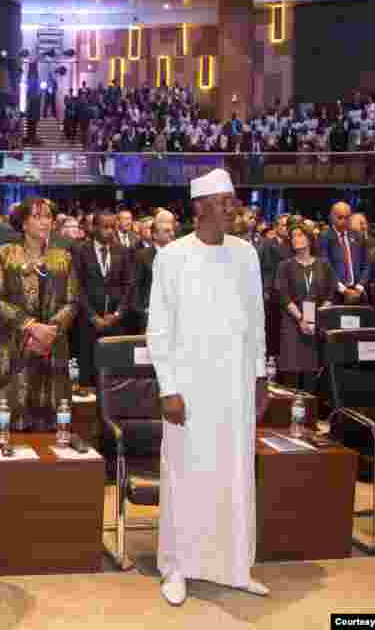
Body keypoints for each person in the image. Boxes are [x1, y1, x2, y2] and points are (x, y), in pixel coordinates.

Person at [147, 168, 270, 607]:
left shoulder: (247, 254)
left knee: (236, 475)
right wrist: (168, 387)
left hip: (236, 385)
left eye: (232, 200)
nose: (231, 207)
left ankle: (237, 567)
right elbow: (158, 330)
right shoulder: (172, 257)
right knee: (186, 476)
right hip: (190, 389)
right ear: (199, 209)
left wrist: (260, 377)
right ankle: (176, 568)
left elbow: (257, 322)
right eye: (223, 201)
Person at [0, 196, 79, 431]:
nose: (44, 222)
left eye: (48, 217)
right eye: (37, 217)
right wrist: (30, 326)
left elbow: (72, 301)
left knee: (52, 420)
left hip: (53, 344)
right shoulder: (3, 254)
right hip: (14, 344)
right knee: (13, 418)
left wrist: (50, 331)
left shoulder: (63, 257)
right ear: (24, 222)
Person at [74, 209, 134, 387]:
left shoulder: (123, 251)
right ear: (94, 227)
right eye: (104, 227)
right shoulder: (80, 251)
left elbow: (129, 286)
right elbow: (76, 288)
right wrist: (93, 316)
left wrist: (117, 314)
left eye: (112, 227)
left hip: (115, 323)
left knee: (114, 374)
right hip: (88, 322)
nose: (109, 231)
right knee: (88, 375)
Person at [273, 224, 337, 390]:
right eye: (293, 236)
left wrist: (316, 317)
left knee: (312, 378)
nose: (296, 239)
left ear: (309, 239)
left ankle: (309, 414)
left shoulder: (324, 265)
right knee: (291, 377)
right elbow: (283, 296)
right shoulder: (284, 266)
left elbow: (331, 293)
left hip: (316, 323)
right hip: (293, 323)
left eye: (300, 235)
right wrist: (301, 318)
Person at [131, 210, 175, 332]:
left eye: (172, 230)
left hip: (174, 317)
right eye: (167, 231)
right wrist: (143, 313)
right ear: (154, 235)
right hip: (149, 318)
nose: (172, 234)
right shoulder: (142, 256)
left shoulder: (179, 255)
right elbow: (135, 288)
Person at [318, 202, 371, 304]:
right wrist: (344, 290)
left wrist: (359, 287)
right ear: (332, 217)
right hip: (335, 293)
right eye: (340, 217)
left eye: (347, 218)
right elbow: (326, 268)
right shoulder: (324, 237)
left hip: (358, 292)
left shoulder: (358, 236)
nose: (344, 221)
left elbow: (366, 265)